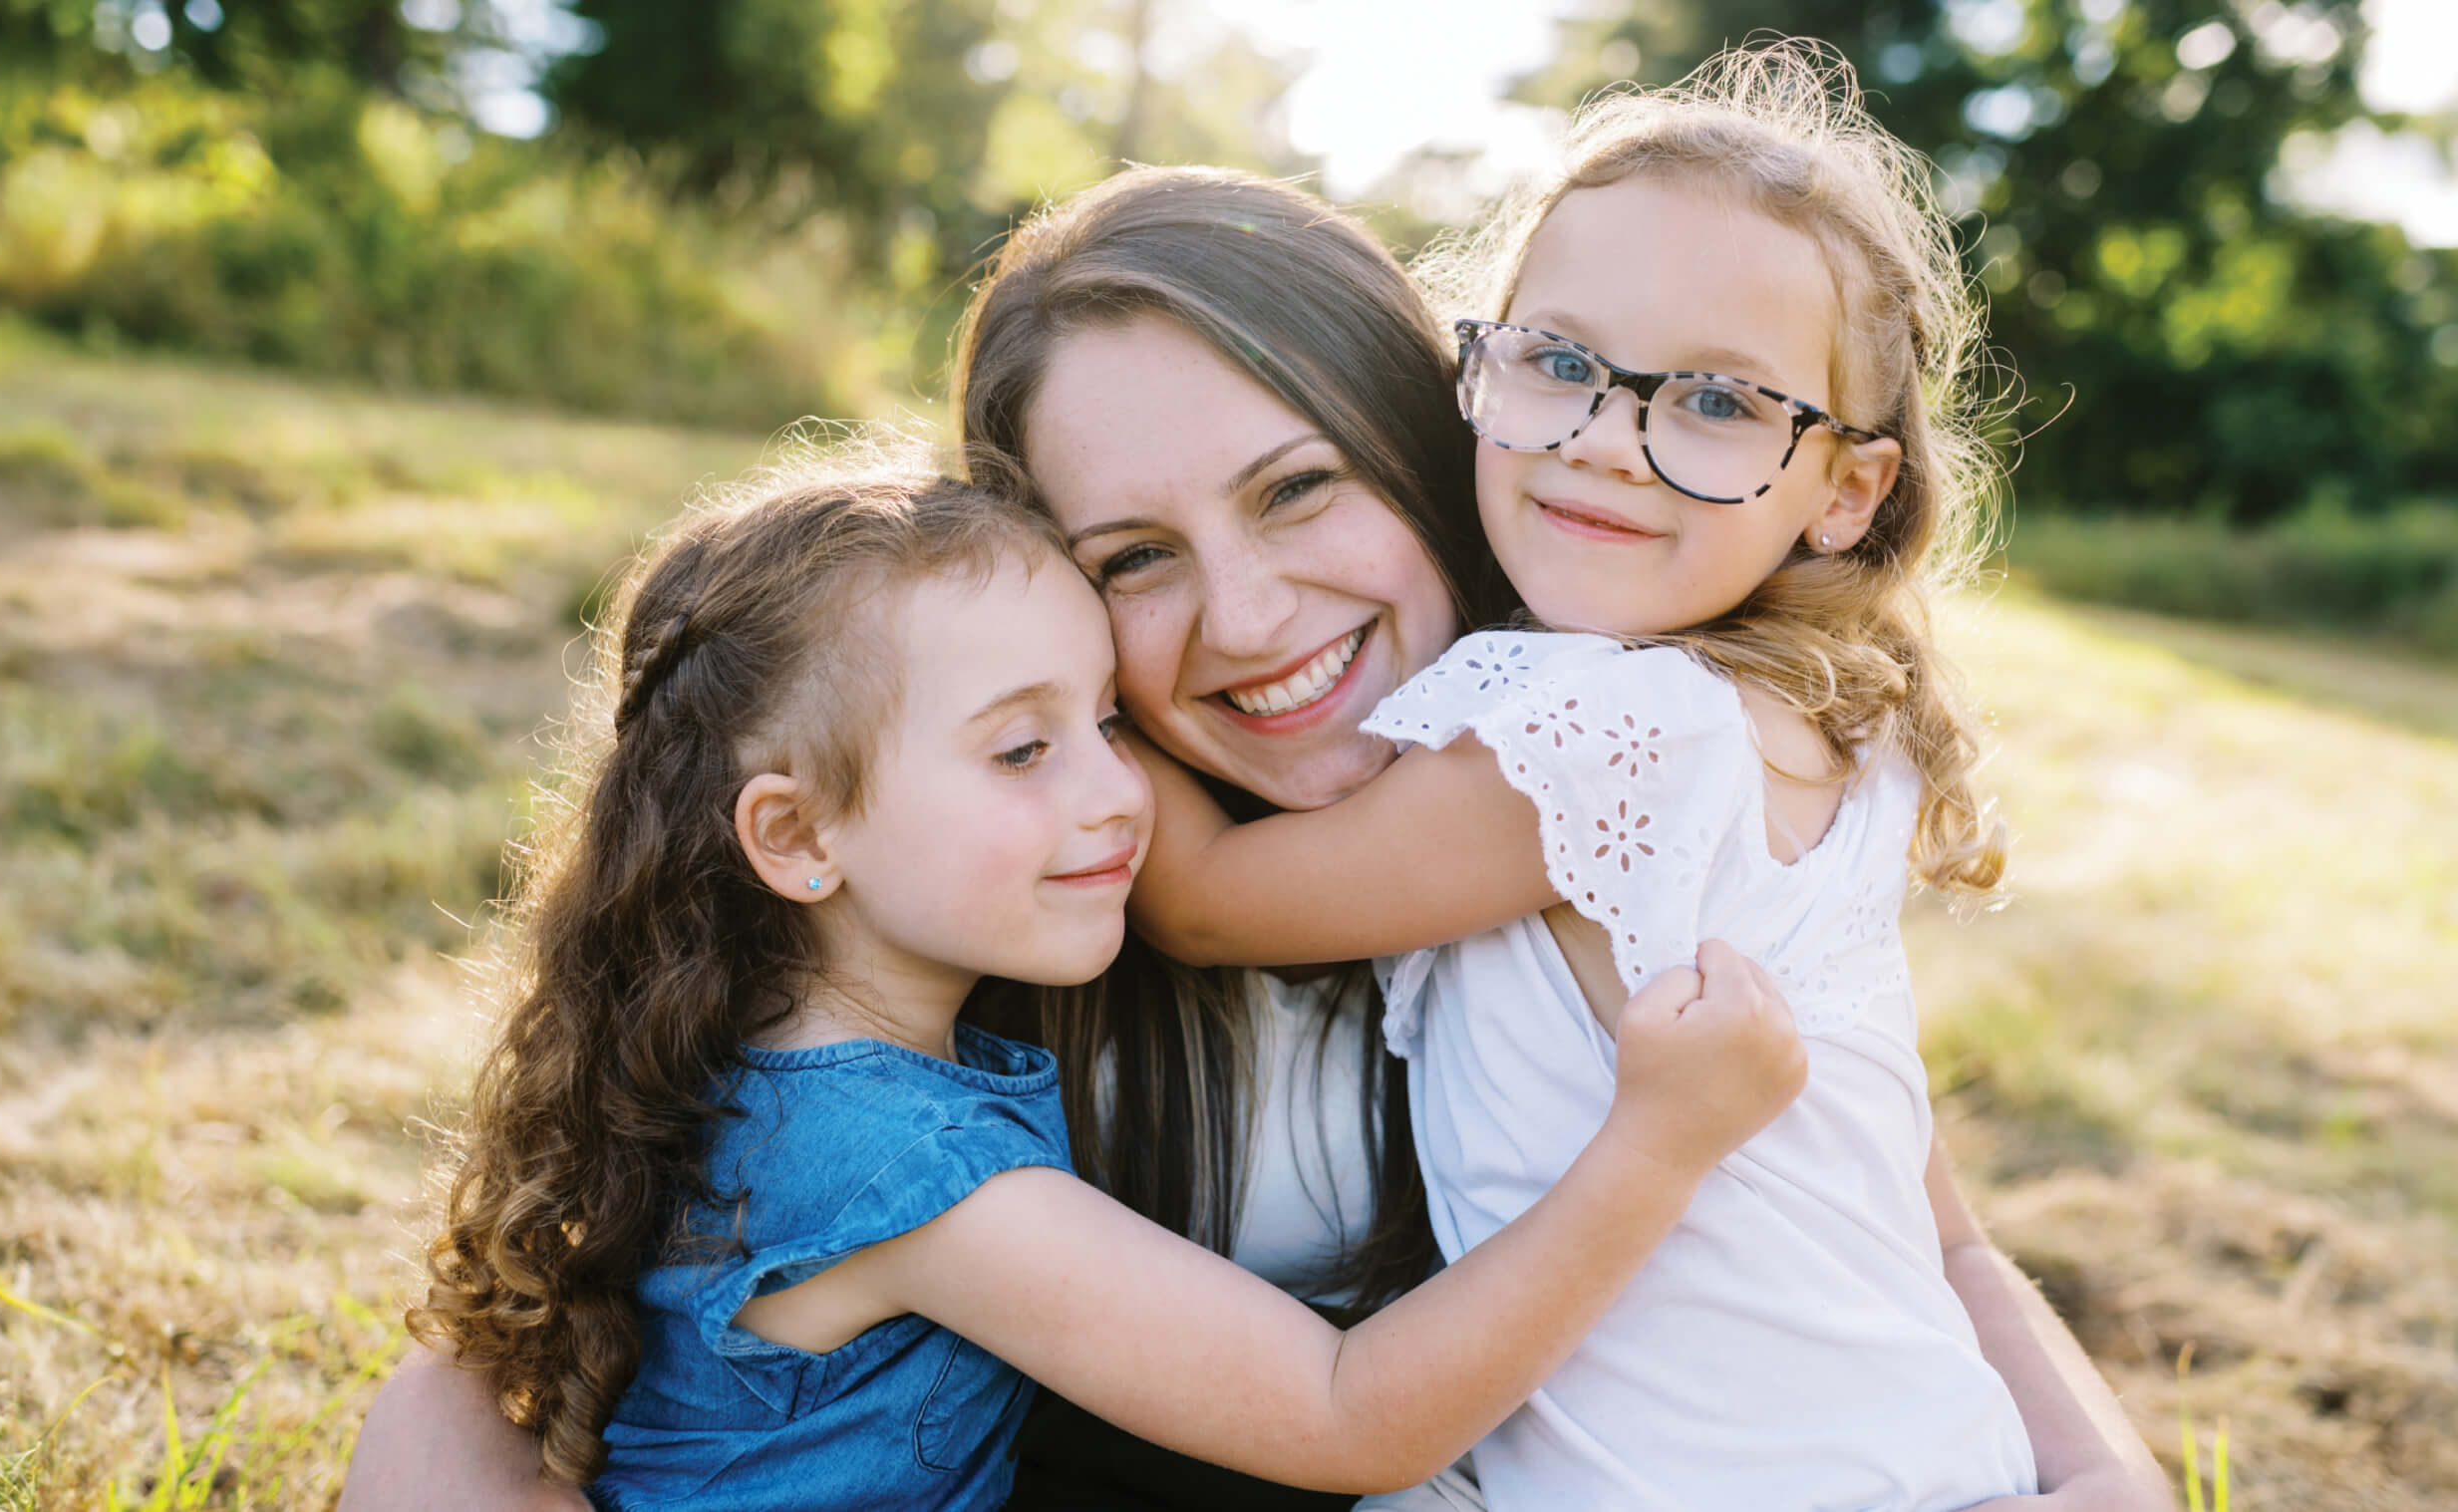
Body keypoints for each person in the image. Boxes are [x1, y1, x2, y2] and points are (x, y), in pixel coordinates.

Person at [343, 153, 2162, 1511]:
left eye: (1299, 491)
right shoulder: (1014, 897)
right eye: (1132, 559)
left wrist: (2100, 1481)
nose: (1246, 617)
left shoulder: (1612, 810)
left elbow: (1913, 1213)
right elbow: (508, 1363)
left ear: (1438, 441)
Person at [1120, 44, 2159, 1512]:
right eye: (1559, 363)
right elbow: (1938, 1227)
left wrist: (1061, 655)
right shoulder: (1815, 735)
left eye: (1719, 404)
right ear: (1480, 369)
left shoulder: (1612, 732)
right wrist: (2097, 1472)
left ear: (1844, 489)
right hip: (1927, 1465)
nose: (1609, 444)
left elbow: (1214, 903)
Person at [390, 455, 1811, 1511]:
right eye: (1023, 750)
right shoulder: (906, 1171)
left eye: (1106, 721)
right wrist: (1655, 1145)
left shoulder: (760, 1067)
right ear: (796, 835)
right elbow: (1348, 1414)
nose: (1118, 792)